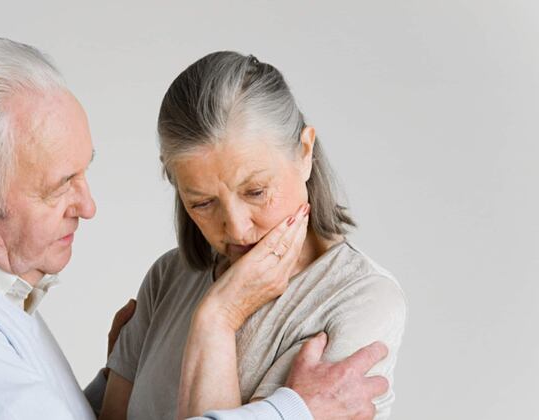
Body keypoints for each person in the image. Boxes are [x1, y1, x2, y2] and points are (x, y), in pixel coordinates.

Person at [0, 38, 390, 420]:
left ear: (305, 152)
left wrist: (116, 380)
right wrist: (293, 410)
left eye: (85, 172)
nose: (88, 206)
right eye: (61, 184)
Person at [100, 52, 407, 420]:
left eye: (256, 191)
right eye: (202, 203)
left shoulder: (361, 298)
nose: (236, 228)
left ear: (304, 152)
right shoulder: (167, 278)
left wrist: (218, 319)